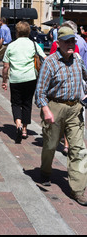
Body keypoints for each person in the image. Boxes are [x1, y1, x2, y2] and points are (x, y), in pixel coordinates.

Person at [35, 26, 87, 206]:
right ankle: (45, 171)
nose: (71, 44)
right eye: (67, 41)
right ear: (59, 43)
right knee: (50, 145)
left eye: (73, 41)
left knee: (79, 149)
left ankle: (78, 189)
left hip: (75, 109)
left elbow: (85, 79)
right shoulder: (50, 62)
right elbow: (40, 92)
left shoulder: (78, 60)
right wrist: (46, 110)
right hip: (55, 107)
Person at [2, 21, 46, 143]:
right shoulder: (33, 44)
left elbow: (5, 66)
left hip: (15, 78)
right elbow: (45, 58)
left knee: (16, 103)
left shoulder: (11, 46)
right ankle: (25, 129)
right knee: (27, 103)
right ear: (28, 32)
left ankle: (18, 125)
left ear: (17, 32)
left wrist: (4, 80)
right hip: (30, 78)